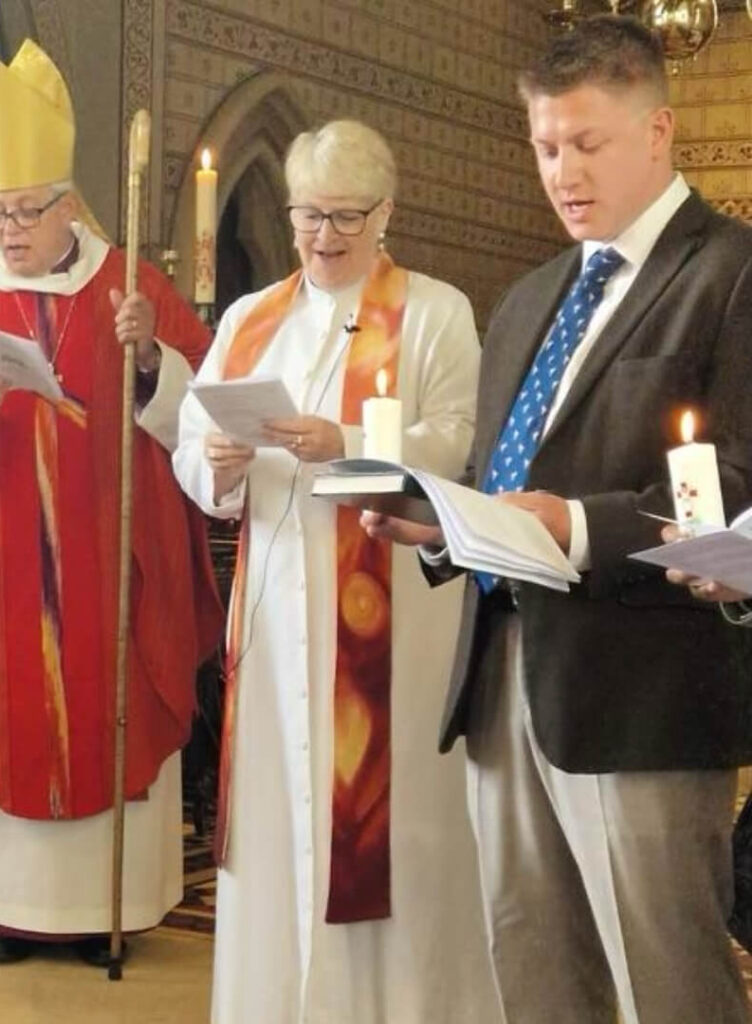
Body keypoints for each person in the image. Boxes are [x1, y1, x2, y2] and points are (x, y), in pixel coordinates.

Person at [363, 16, 752, 1024]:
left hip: (640, 690)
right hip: (501, 671)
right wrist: (444, 525)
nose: (561, 171)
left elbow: (739, 478)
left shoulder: (731, 273)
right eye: (544, 146)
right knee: (531, 967)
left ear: (657, 130)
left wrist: (572, 527)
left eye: (588, 143)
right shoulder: (532, 293)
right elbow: (507, 471)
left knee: (665, 981)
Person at [0, 40, 222, 966]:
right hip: (3, 556)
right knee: (8, 717)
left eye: (25, 212)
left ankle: (106, 915)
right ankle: (12, 913)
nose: (7, 228)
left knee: (107, 709)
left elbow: (204, 404)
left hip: (108, 556)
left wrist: (152, 357)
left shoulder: (134, 287)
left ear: (68, 205)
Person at [173, 120, 499, 1023]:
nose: (323, 237)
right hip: (276, 618)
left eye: (347, 217)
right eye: (308, 215)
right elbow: (195, 454)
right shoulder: (249, 320)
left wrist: (344, 443)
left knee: (389, 826)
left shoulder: (434, 311)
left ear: (386, 212)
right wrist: (220, 468)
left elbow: (461, 444)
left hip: (389, 619)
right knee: (280, 814)